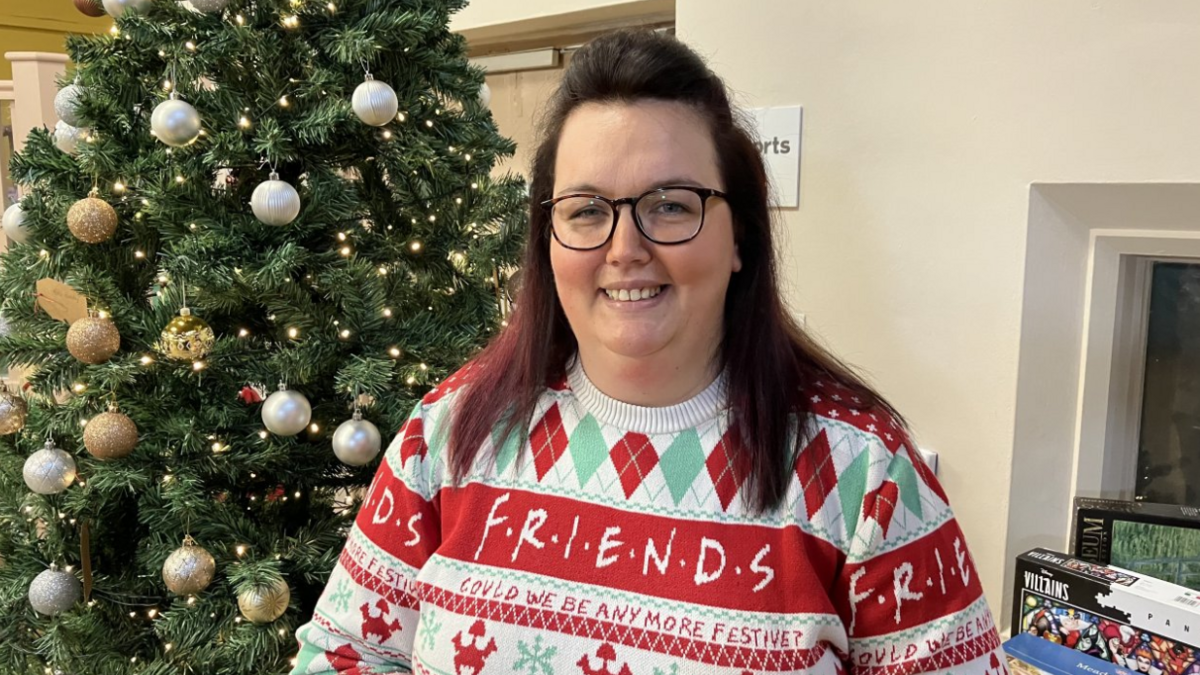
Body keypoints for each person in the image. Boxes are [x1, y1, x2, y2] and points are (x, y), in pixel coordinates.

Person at [291, 29, 1003, 674]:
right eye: (586, 211)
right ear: (548, 237)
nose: (624, 250)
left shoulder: (866, 473)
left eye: (669, 204)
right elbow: (346, 654)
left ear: (740, 234)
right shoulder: (451, 431)